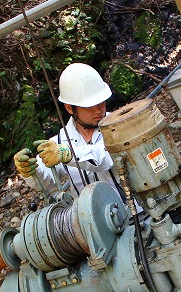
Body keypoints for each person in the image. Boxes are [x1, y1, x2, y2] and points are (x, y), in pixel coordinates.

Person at [13, 63, 120, 198]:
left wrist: (69, 154)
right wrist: (31, 171)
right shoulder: (59, 142)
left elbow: (106, 158)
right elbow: (46, 182)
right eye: (89, 107)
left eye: (101, 102)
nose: (98, 110)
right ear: (70, 108)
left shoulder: (118, 124)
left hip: (134, 212)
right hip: (91, 217)